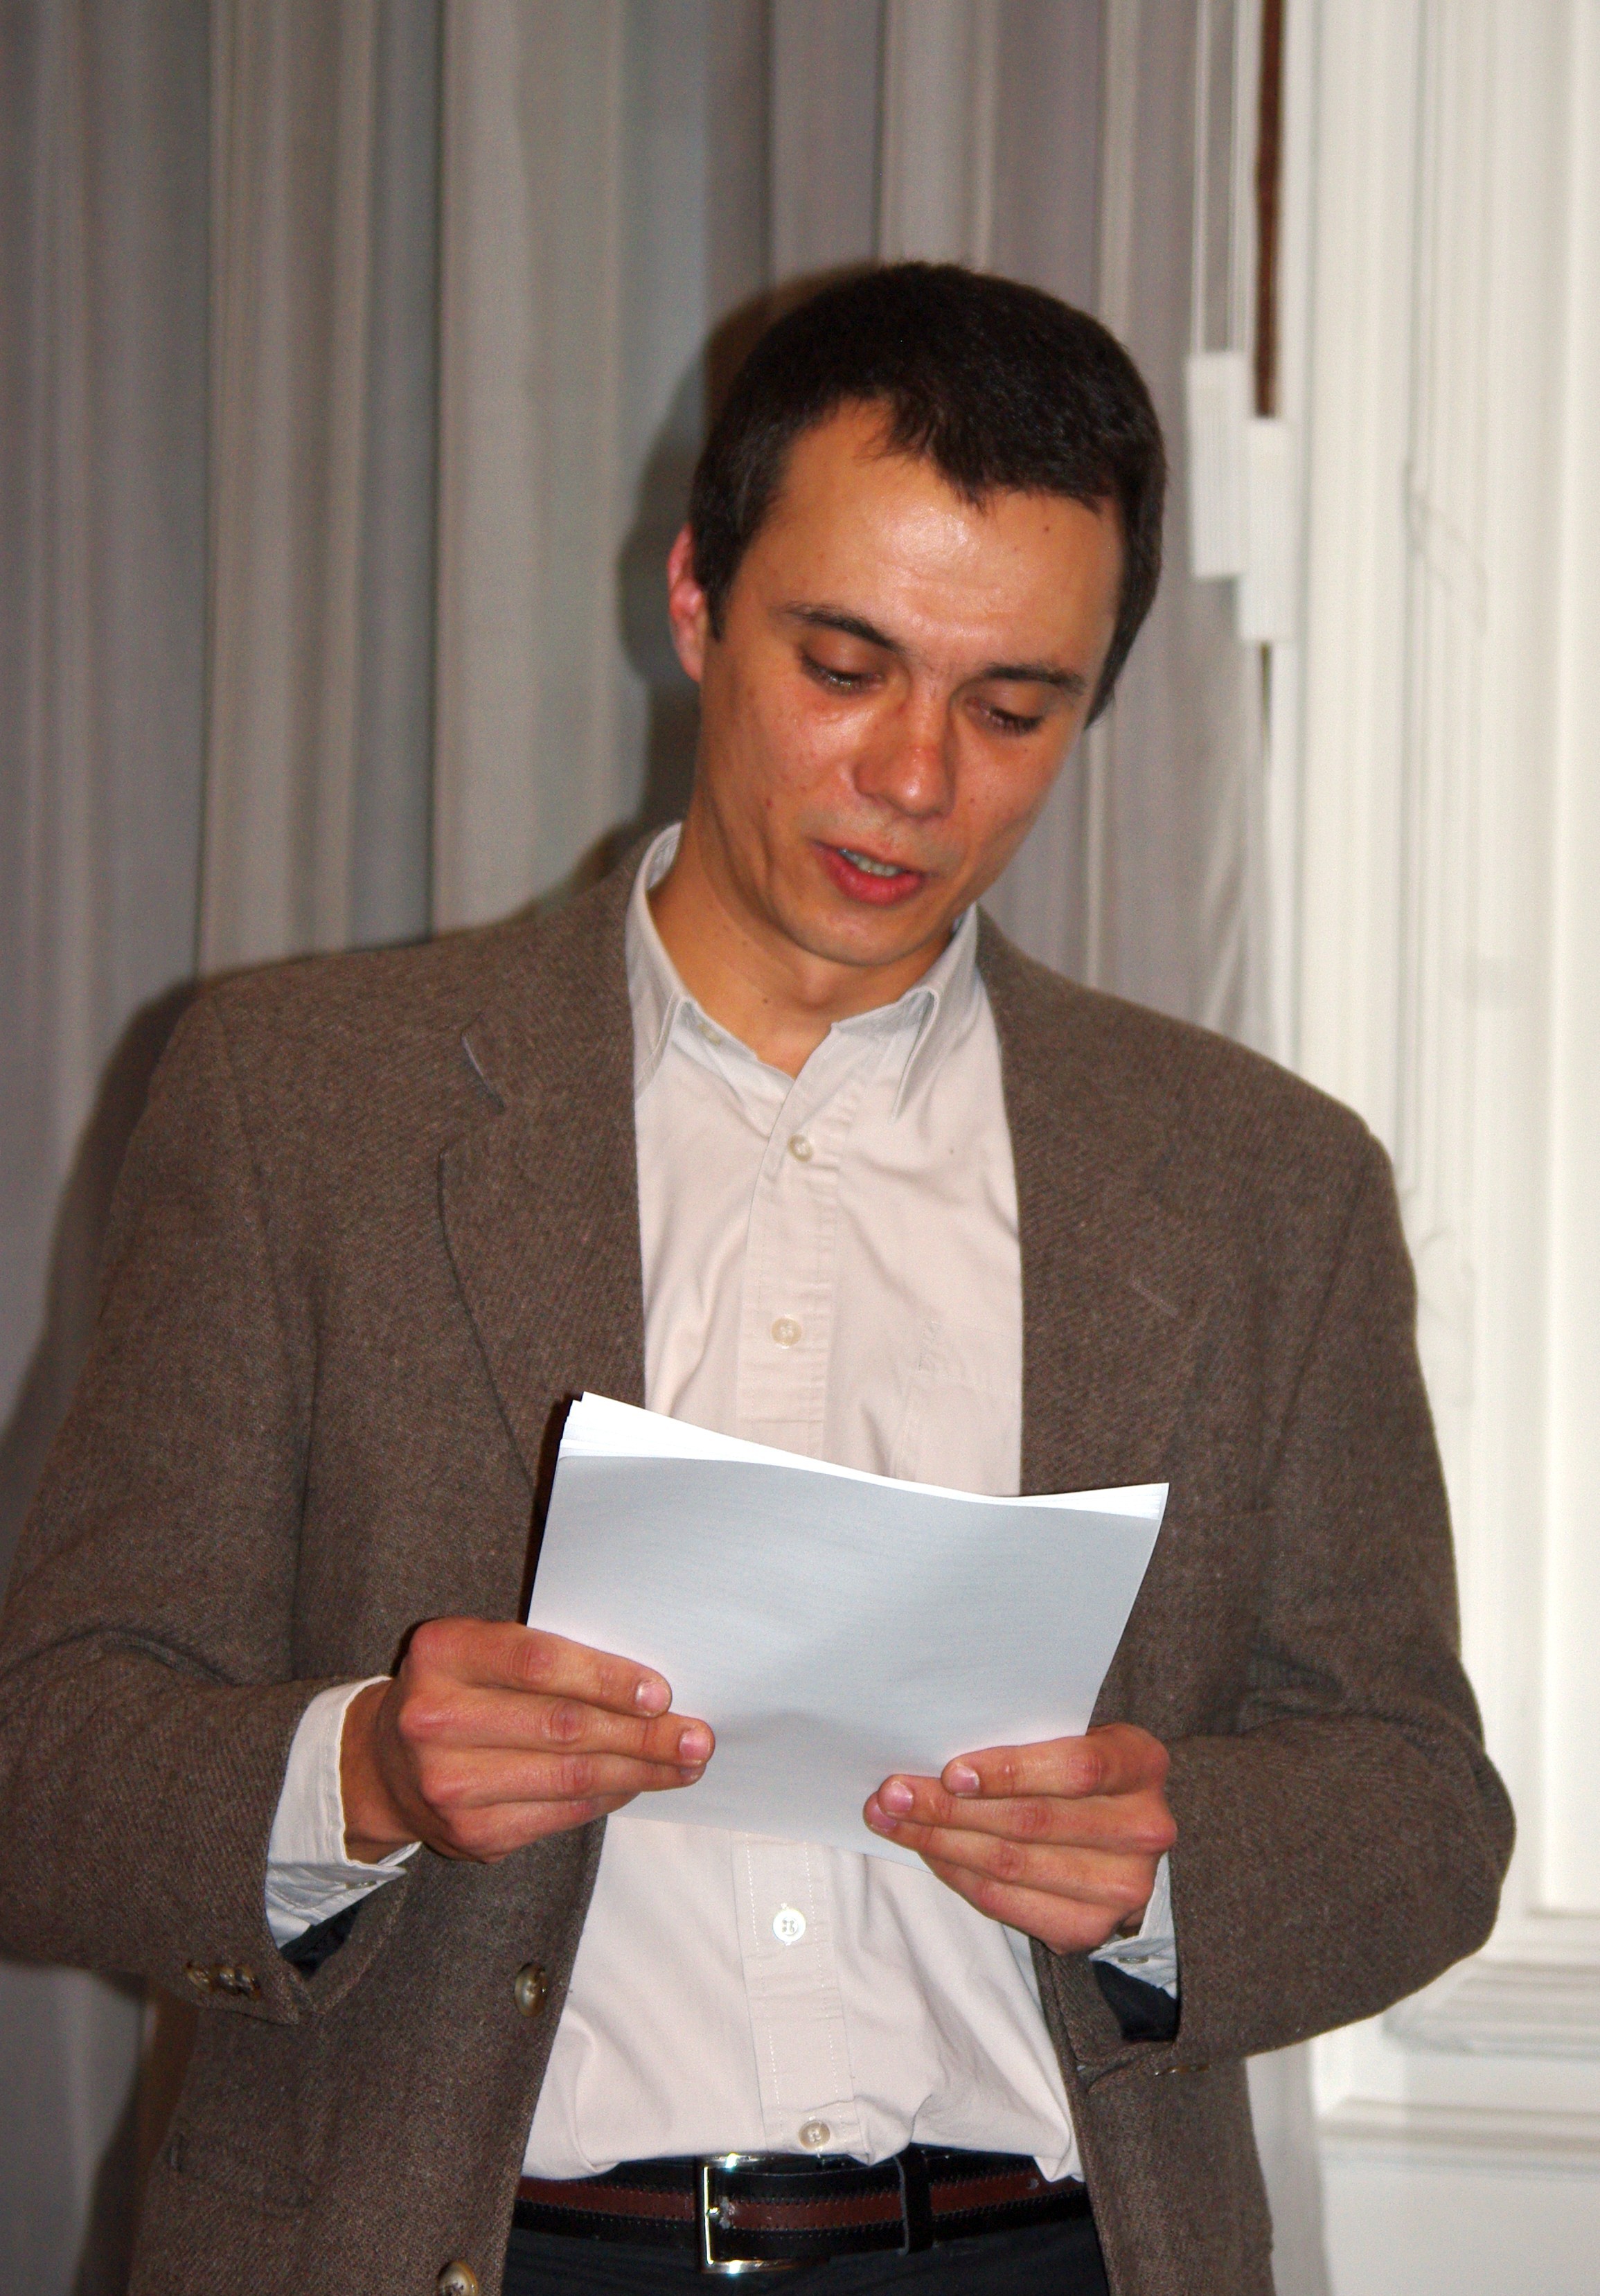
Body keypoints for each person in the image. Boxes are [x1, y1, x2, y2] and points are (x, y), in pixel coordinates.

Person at [0, 266, 1511, 2296]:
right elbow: (47, 1762)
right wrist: (358, 1770)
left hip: (1043, 2252)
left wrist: (1167, 1870)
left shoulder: (1267, 1184)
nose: (916, 776)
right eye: (847, 664)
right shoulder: (303, 1104)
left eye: (1012, 707)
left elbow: (1420, 1805)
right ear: (698, 602)